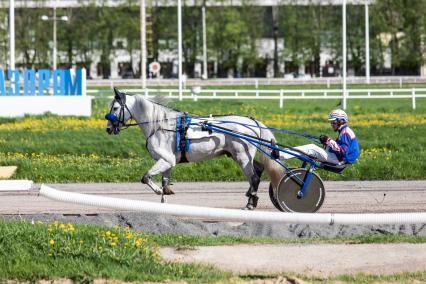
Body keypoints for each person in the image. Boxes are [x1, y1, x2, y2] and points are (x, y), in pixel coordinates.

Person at [279, 109, 359, 165]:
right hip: (337, 157)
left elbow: (343, 151)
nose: (331, 124)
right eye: (331, 122)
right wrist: (326, 142)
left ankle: (280, 154)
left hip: (339, 160)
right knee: (308, 151)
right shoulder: (344, 131)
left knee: (311, 148)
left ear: (340, 121)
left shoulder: (345, 132)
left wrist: (328, 141)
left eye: (333, 122)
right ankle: (282, 153)